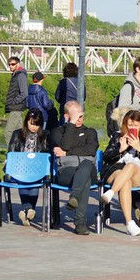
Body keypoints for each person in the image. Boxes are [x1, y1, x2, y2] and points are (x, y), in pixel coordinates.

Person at [100, 110, 140, 236]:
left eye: (135, 125)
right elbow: (106, 157)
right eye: (130, 125)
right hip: (116, 170)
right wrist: (120, 149)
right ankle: (130, 223)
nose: (132, 128)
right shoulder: (117, 136)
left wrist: (139, 149)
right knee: (125, 182)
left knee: (130, 165)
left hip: (137, 173)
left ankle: (111, 192)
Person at [50, 101, 98, 235]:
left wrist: (67, 153)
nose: (79, 119)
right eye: (76, 116)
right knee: (85, 180)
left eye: (81, 116)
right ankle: (80, 223)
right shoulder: (57, 132)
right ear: (66, 117)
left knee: (87, 165)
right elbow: (65, 144)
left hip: (88, 168)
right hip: (67, 171)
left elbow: (91, 149)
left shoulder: (90, 132)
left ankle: (74, 196)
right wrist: (71, 125)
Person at [7, 108, 48, 226]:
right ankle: (29, 209)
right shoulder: (17, 134)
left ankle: (26, 210)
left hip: (37, 169)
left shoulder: (45, 135)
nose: (34, 127)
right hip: (20, 168)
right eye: (32, 124)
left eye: (37, 125)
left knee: (34, 181)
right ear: (26, 122)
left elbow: (46, 154)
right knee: (24, 180)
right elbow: (11, 152)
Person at [4, 56, 28, 145]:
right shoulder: (15, 75)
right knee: (21, 134)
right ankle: (22, 153)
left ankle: (10, 155)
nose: (10, 66)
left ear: (18, 64)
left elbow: (24, 93)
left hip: (16, 108)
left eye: (13, 64)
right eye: (9, 64)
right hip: (16, 108)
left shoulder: (20, 75)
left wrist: (14, 102)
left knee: (8, 132)